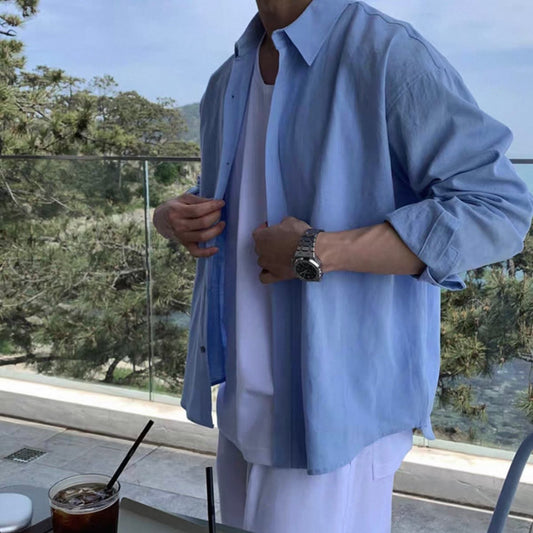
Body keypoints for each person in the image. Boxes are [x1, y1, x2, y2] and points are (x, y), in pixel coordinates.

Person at [153, 1, 533, 531]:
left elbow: (498, 209)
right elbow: (250, 189)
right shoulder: (228, 78)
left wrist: (317, 250)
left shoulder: (388, 54)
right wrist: (170, 216)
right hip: (241, 402)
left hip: (335, 414)